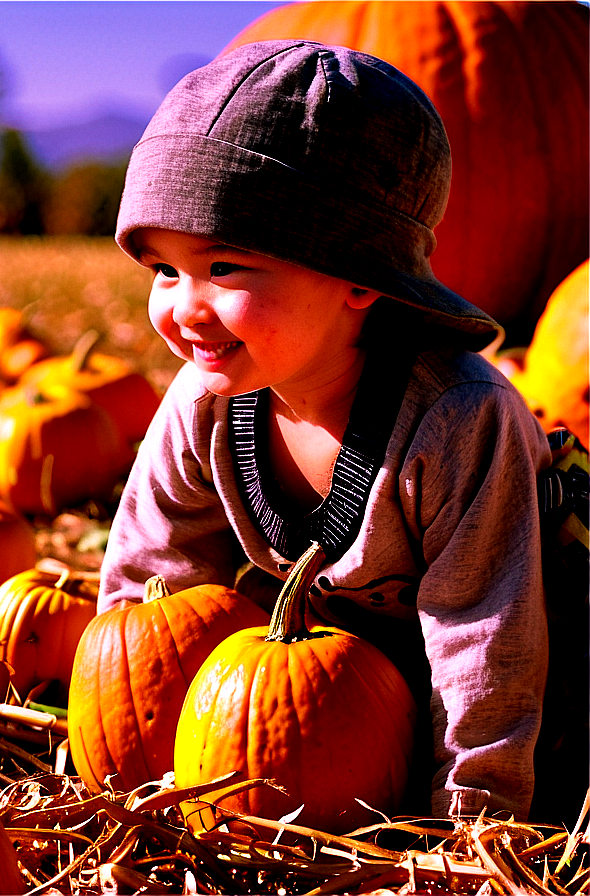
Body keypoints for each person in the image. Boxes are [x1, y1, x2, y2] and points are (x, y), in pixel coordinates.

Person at [97, 40, 558, 823]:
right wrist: (131, 767)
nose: (183, 308)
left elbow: (490, 657)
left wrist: (475, 832)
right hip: (332, 705)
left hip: (536, 699)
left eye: (226, 268)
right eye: (164, 271)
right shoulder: (202, 404)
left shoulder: (456, 423)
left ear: (358, 278)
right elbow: (149, 591)